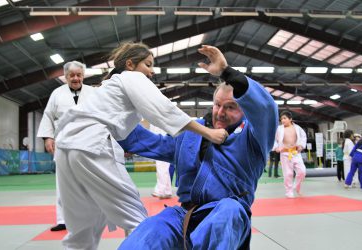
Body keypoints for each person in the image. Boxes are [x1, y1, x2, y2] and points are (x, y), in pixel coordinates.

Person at [53, 42, 228, 250]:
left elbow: (138, 136)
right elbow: (163, 109)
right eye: (147, 64)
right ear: (130, 64)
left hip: (65, 148)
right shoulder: (131, 76)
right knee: (137, 219)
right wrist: (208, 132)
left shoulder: (108, 89)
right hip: (93, 144)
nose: (151, 71)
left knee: (83, 226)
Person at [118, 45, 278, 249]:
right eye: (217, 105)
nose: (220, 112)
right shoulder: (190, 134)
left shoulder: (253, 139)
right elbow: (148, 143)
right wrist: (111, 117)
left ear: (245, 110)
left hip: (226, 213)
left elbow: (266, 109)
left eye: (230, 107)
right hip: (183, 215)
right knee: (149, 232)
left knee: (227, 212)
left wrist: (226, 72)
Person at [37, 61, 94, 232]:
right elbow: (48, 116)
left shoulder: (93, 93)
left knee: (87, 183)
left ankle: (87, 218)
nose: (76, 78)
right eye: (72, 75)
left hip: (87, 143)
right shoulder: (57, 94)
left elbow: (102, 115)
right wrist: (48, 137)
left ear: (83, 75)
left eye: (79, 75)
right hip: (63, 143)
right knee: (63, 183)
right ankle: (63, 220)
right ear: (66, 77)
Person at [274, 111, 307, 198]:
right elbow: (273, 139)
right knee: (288, 173)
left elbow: (303, 137)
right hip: (284, 153)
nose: (283, 120)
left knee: (302, 171)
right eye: (281, 119)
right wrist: (276, 147)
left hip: (295, 152)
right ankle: (289, 191)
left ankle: (296, 186)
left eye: (284, 118)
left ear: (290, 119)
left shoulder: (297, 128)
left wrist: (301, 145)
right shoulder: (279, 129)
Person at [149, 124, 173, 199]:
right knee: (164, 168)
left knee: (161, 167)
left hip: (162, 143)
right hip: (163, 142)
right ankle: (167, 191)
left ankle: (160, 190)